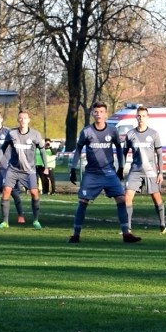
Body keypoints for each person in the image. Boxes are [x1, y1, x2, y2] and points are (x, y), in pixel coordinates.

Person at [68, 101, 141, 243]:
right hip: (92, 174)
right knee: (83, 201)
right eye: (96, 112)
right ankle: (76, 234)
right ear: (93, 114)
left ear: (106, 114)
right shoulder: (87, 131)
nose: (99, 115)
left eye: (101, 112)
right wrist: (73, 168)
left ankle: (126, 234)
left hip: (109, 172)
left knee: (121, 199)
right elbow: (78, 149)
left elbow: (119, 149)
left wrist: (120, 167)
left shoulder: (112, 130)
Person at [0, 109, 46, 229]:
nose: (22, 120)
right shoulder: (12, 134)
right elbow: (3, 148)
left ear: (29, 120)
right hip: (13, 169)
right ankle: (5, 222)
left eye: (25, 118)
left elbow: (42, 151)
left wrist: (46, 167)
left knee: (34, 193)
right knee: (6, 191)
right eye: (20, 118)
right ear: (18, 120)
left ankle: (36, 220)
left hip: (29, 170)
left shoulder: (35, 134)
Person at [123, 106, 166, 234]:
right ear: (136, 117)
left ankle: (163, 225)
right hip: (135, 171)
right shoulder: (130, 134)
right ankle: (128, 227)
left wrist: (161, 173)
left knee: (156, 198)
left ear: (147, 117)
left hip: (150, 172)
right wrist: (120, 168)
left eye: (143, 116)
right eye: (139, 116)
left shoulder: (153, 134)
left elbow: (159, 154)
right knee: (127, 197)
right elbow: (124, 153)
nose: (141, 118)